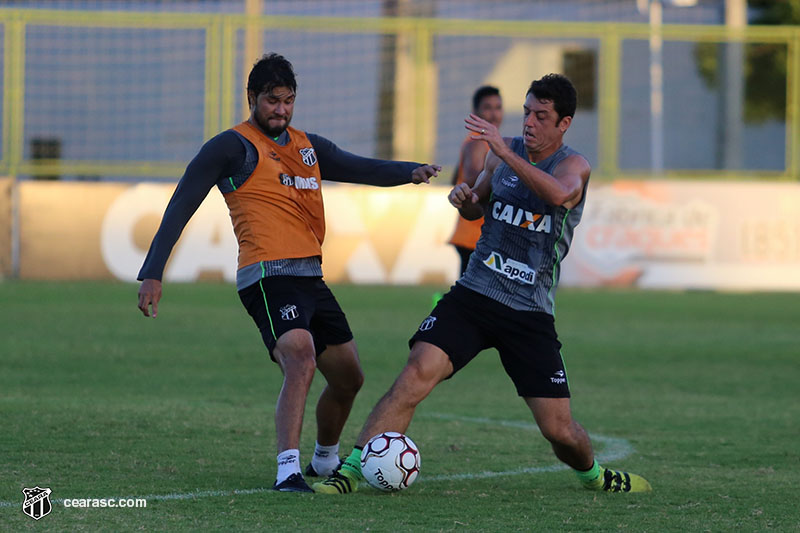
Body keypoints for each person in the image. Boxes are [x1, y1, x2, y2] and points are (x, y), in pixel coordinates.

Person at [314, 74, 652, 495]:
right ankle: (348, 472)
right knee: (414, 374)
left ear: (563, 124)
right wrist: (466, 199)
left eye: (541, 115)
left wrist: (505, 154)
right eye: (527, 111)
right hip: (474, 294)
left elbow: (557, 196)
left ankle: (596, 475)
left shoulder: (572, 165)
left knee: (560, 430)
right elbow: (477, 209)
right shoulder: (502, 153)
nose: (529, 122)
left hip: (529, 311)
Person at [136, 53, 440, 493]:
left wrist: (408, 172)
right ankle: (287, 471)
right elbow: (182, 204)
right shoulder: (230, 147)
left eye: (289, 101)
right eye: (272, 100)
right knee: (301, 357)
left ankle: (323, 460)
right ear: (252, 98)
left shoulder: (307, 146)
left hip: (310, 278)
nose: (281, 109)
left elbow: (357, 166)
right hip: (265, 275)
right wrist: (153, 272)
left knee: (349, 377)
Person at [448, 85, 503, 276]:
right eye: (488, 108)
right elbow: (473, 181)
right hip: (475, 234)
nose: (494, 114)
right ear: (475, 113)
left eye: (498, 107)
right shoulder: (479, 141)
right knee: (471, 298)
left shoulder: (477, 142)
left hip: (471, 233)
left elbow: (456, 178)